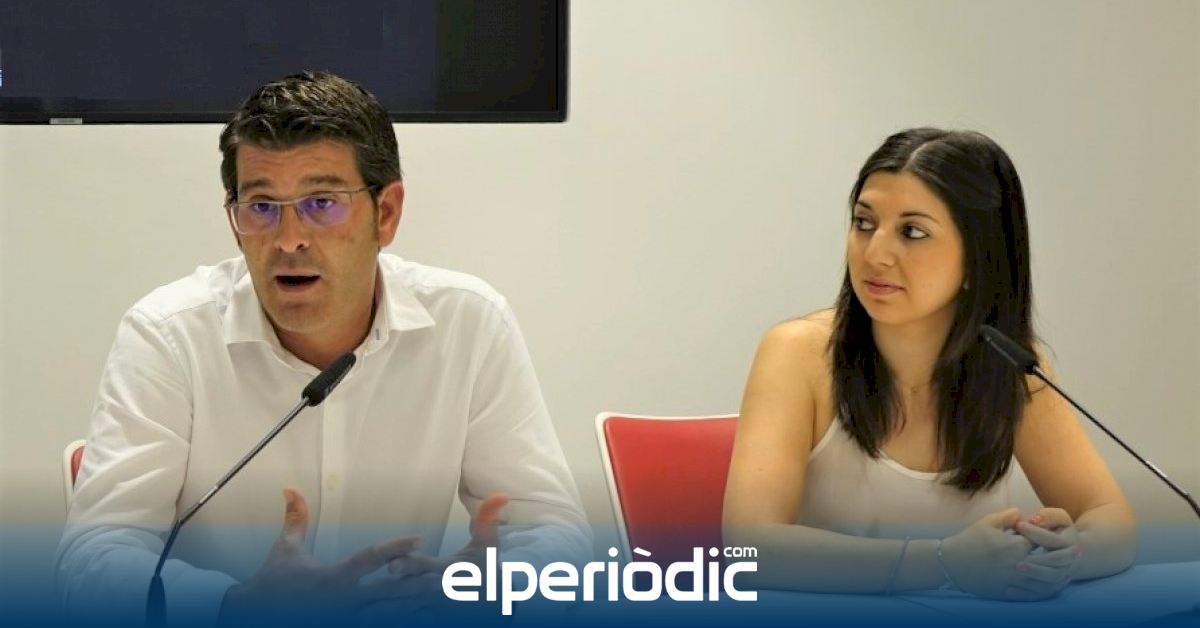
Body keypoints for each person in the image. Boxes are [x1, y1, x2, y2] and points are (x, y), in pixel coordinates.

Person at [55, 71, 591, 625]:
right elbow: (89, 565)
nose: (289, 238)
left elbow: (555, 537)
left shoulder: (468, 324)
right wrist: (236, 605)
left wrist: (482, 589)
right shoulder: (169, 337)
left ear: (386, 213)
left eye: (322, 203)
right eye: (262, 206)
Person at [722, 128, 1136, 601]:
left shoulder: (1012, 364)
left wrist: (1065, 554)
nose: (875, 253)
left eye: (912, 232)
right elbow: (748, 549)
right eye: (864, 223)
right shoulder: (798, 352)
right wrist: (942, 562)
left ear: (979, 257)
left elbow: (1112, 520)